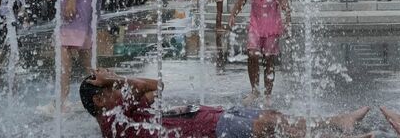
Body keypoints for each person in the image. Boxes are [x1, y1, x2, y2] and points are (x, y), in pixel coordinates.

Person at [79, 68, 371, 138]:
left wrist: (116, 79)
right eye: (108, 88)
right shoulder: (112, 124)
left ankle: (336, 122)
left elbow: (156, 87)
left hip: (212, 116)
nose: (116, 88)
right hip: (208, 130)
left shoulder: (124, 107)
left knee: (273, 116)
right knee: (269, 125)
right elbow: (143, 88)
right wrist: (114, 77)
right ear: (99, 99)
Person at [228, 0, 291, 106]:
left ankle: (268, 94)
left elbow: (284, 3)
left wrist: (288, 22)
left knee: (269, 59)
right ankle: (255, 90)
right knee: (252, 54)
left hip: (272, 27)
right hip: (255, 25)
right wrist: (232, 15)